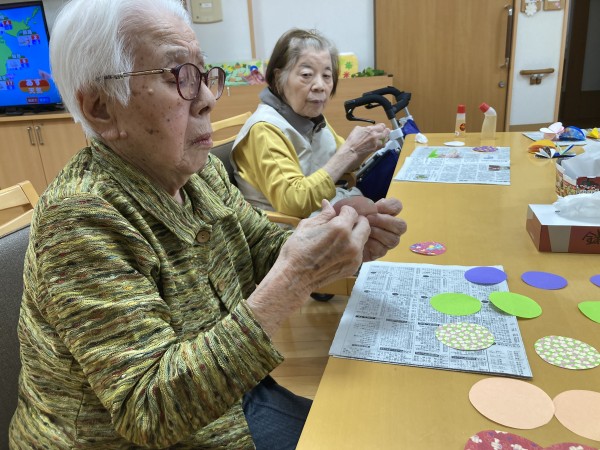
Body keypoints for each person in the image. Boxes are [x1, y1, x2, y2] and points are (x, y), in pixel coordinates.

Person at [9, 1, 407, 449]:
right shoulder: (80, 218)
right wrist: (296, 277)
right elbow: (149, 412)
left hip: (229, 395)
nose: (208, 98)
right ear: (101, 107)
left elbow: (261, 249)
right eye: (176, 76)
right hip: (145, 436)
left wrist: (333, 239)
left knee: (373, 429)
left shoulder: (199, 173)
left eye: (202, 72)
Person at [231, 28, 391, 219]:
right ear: (279, 78)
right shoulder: (265, 129)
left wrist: (366, 145)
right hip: (288, 229)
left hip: (324, 211)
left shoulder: (309, 116)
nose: (320, 86)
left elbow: (344, 162)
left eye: (326, 76)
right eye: (306, 75)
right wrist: (351, 150)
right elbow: (295, 202)